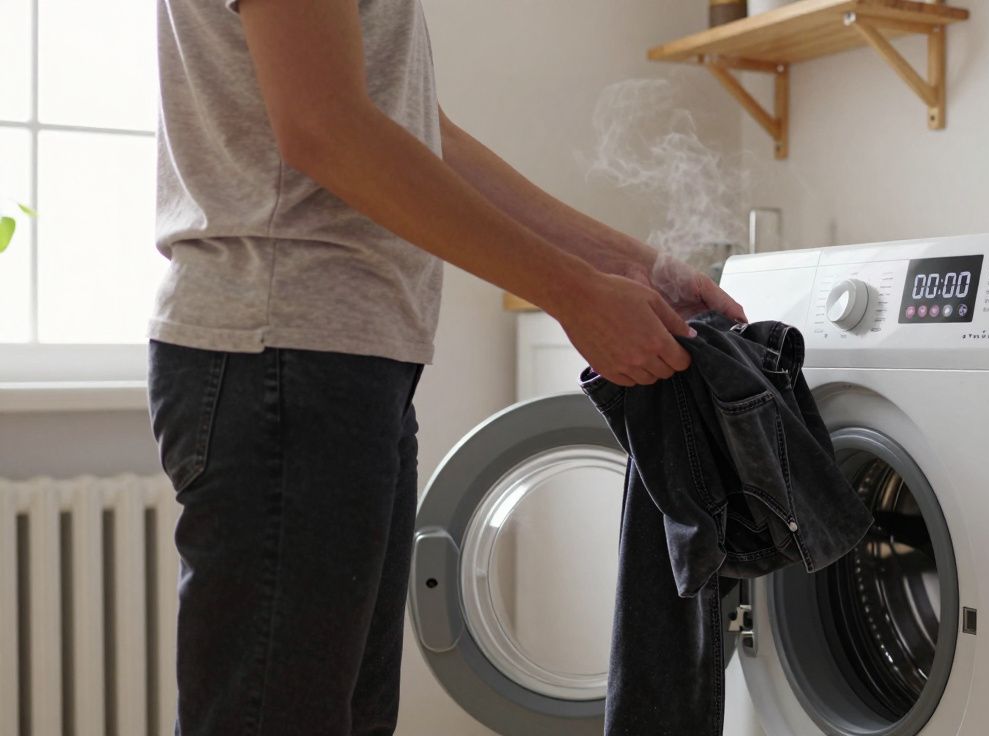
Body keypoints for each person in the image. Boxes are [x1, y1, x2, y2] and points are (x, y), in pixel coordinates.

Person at [146, 0, 747, 733]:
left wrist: (630, 267)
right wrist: (572, 293)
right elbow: (324, 128)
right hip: (285, 352)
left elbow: (424, 136)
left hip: (340, 360)